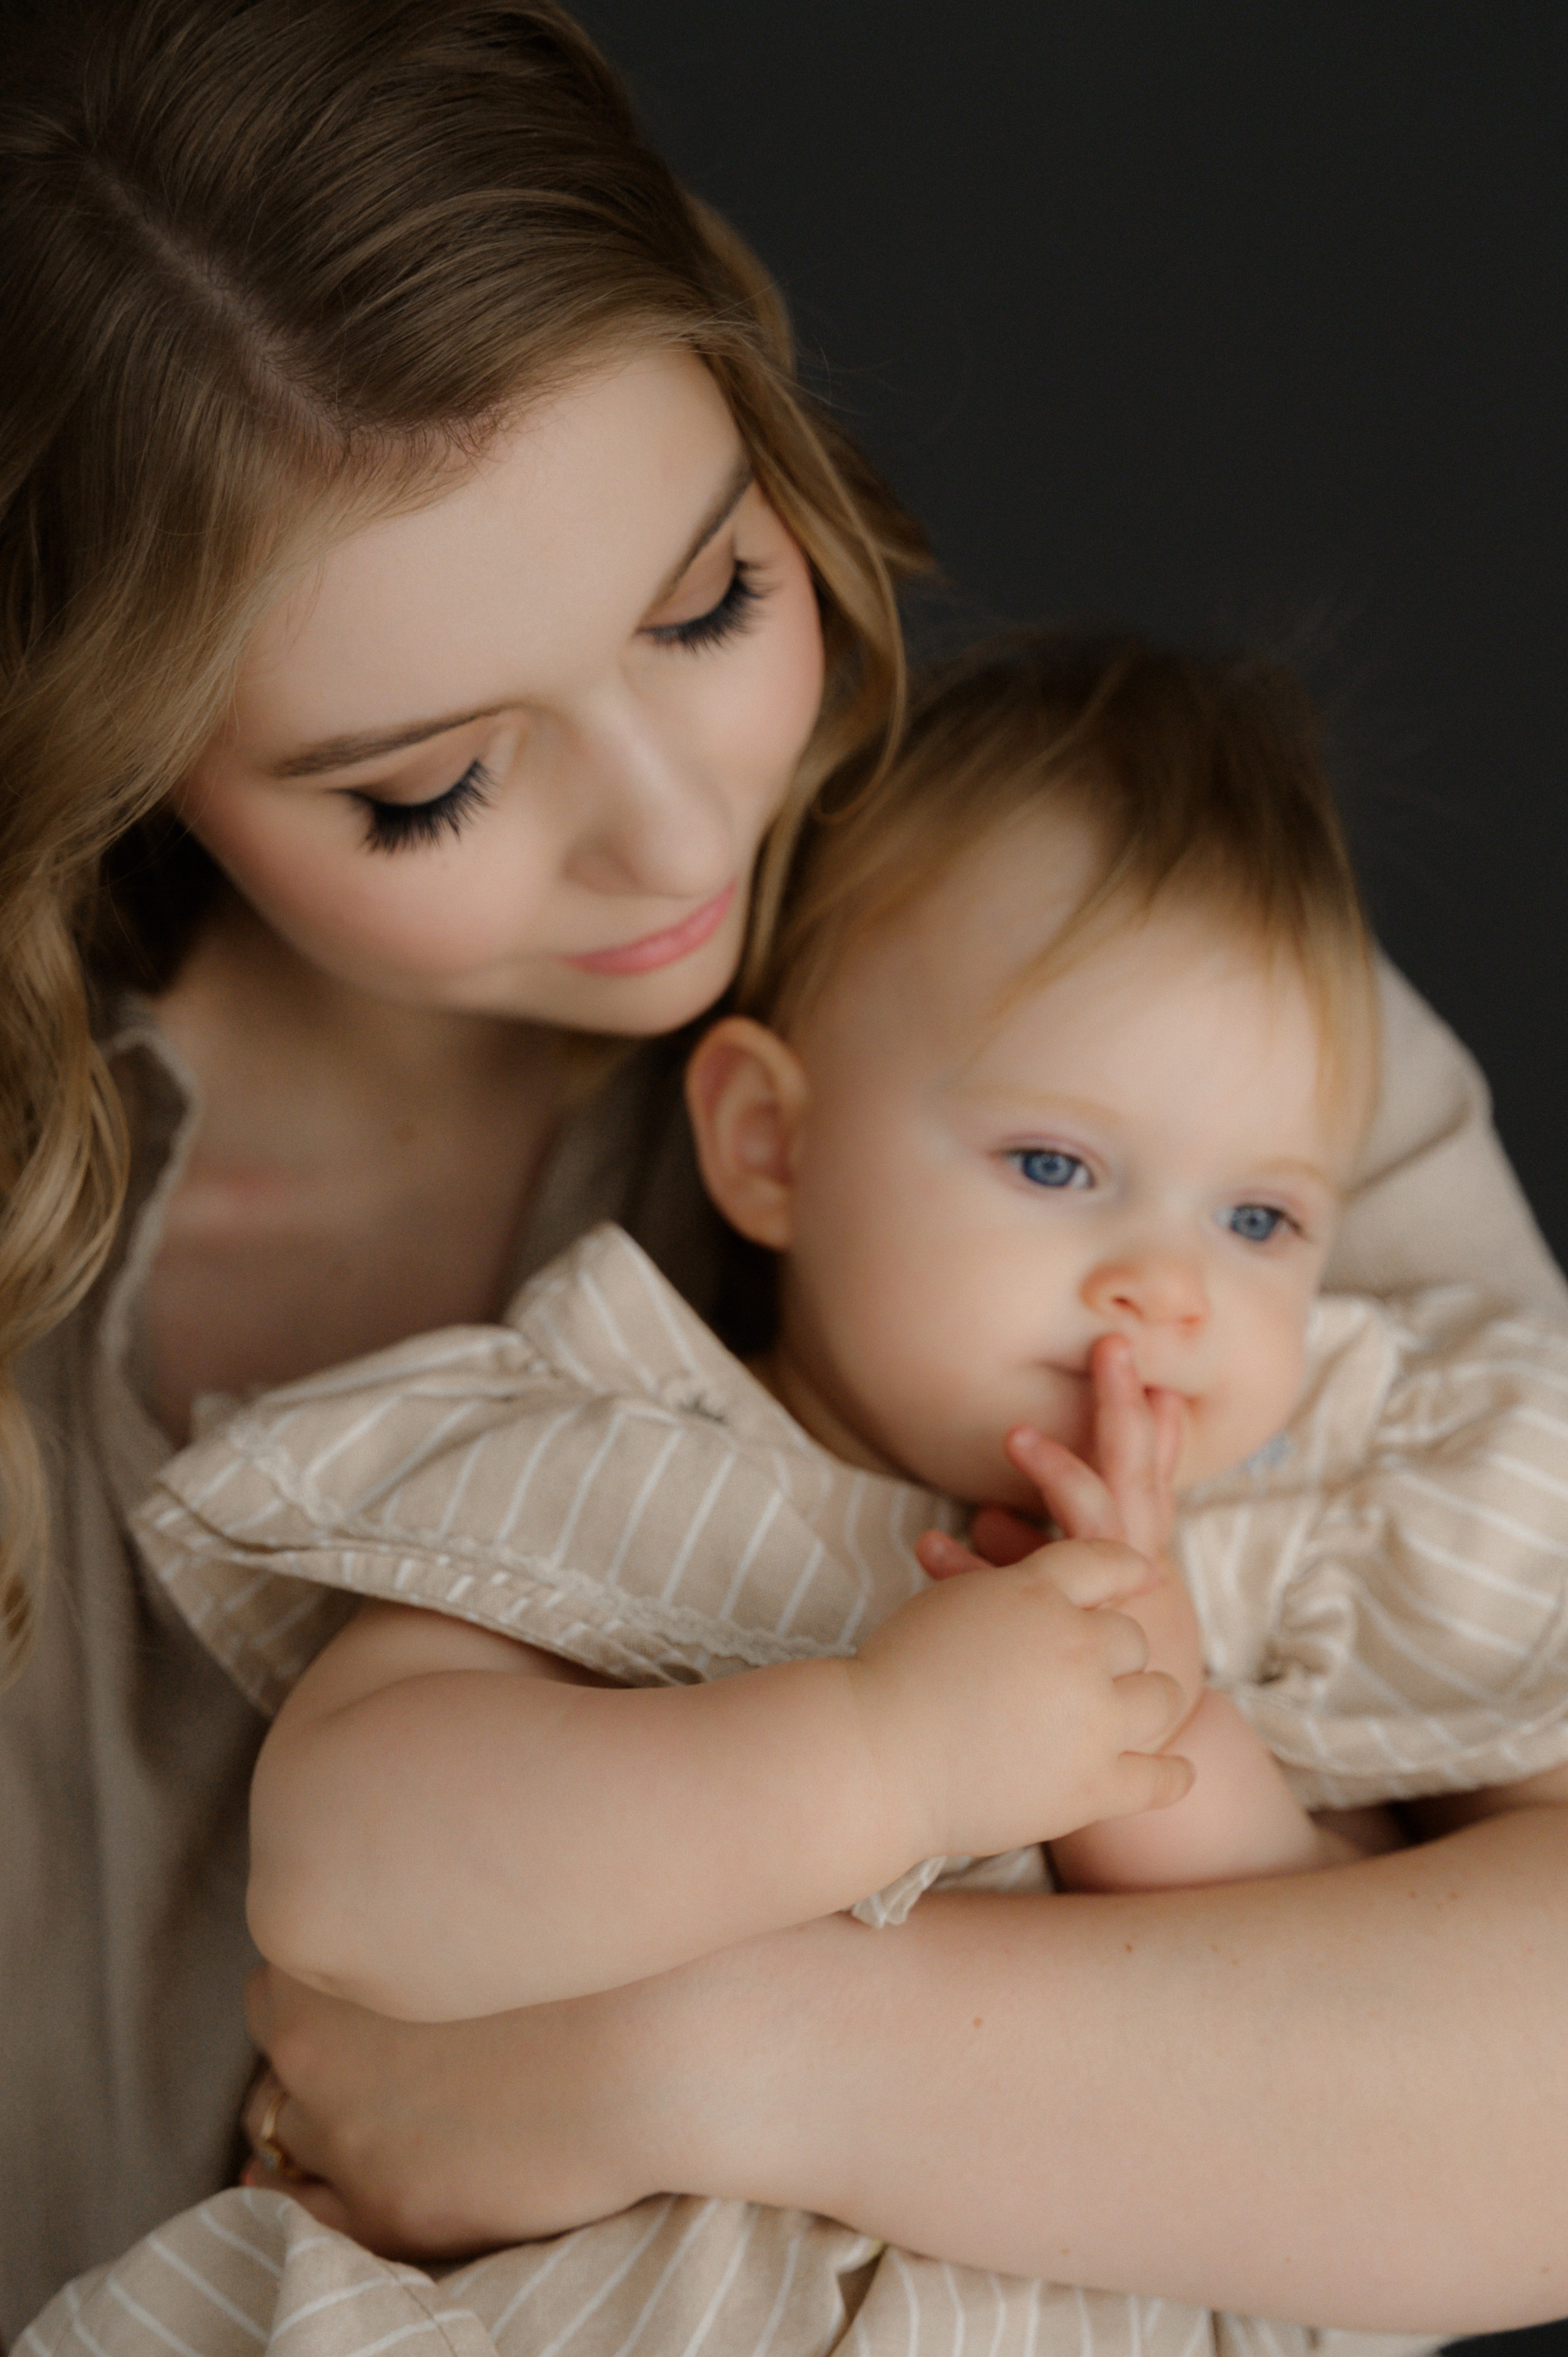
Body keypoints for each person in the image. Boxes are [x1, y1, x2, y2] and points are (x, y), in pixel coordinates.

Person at [2, 0, 1566, 2346]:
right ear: (99, 754)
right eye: (428, 783)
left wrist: (690, 2064)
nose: (678, 829)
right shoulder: (538, 1446)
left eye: (712, 600)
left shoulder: (1124, 1020)